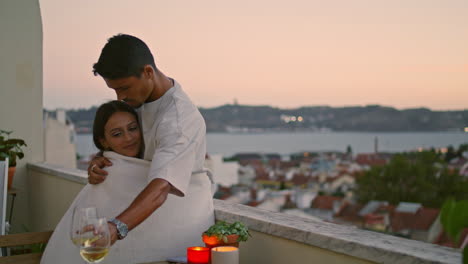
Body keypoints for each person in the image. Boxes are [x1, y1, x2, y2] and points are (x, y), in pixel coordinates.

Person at [41, 101, 214, 263]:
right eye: (117, 134)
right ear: (103, 141)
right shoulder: (105, 172)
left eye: (132, 128)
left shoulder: (157, 165)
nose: (129, 138)